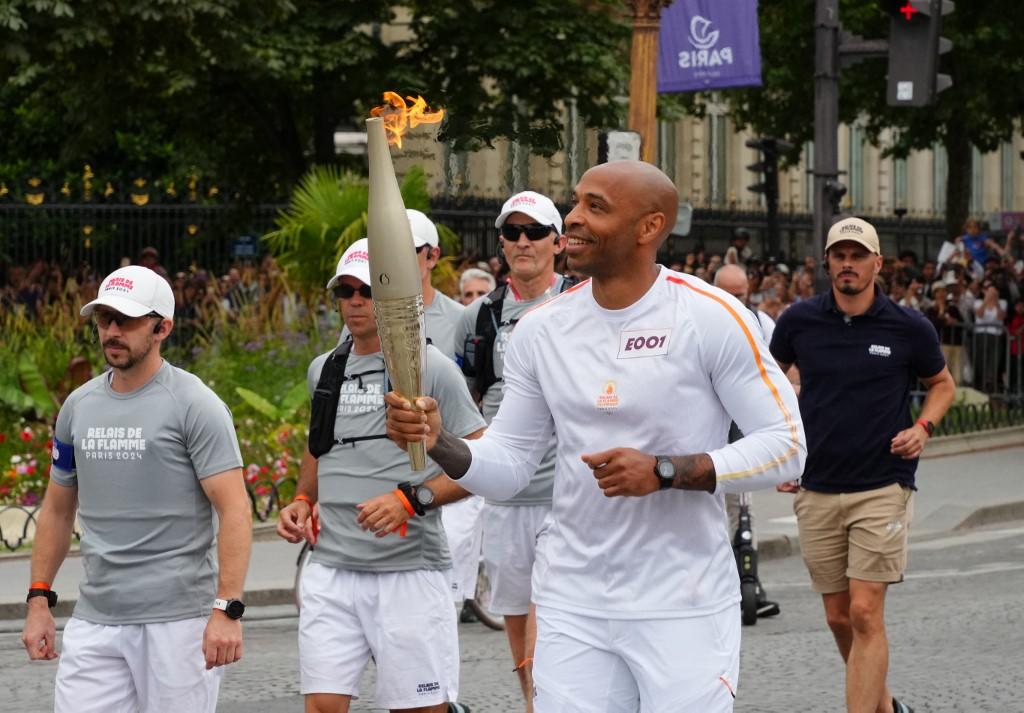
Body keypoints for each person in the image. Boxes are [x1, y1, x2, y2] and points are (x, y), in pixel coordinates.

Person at [386, 160, 806, 713]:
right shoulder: (543, 330)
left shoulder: (710, 316)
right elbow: (510, 462)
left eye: (595, 207)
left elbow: (787, 445)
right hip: (571, 599)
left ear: (649, 227)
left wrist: (665, 471)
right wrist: (440, 440)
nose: (572, 219)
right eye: (576, 202)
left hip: (683, 602)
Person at [21, 265, 251, 713]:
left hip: (178, 623)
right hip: (96, 620)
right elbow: (56, 510)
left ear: (162, 327)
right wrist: (38, 599)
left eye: (125, 320)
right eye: (104, 319)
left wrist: (227, 609)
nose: (111, 331)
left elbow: (235, 510)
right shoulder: (78, 406)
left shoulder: (195, 404)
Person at [276, 239, 485, 713]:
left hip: (408, 571)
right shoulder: (324, 369)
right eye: (345, 291)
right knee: (323, 706)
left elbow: (482, 466)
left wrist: (412, 500)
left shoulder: (431, 368)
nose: (354, 301)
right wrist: (302, 501)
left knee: (417, 710)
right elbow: (319, 447)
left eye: (366, 290)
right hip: (331, 568)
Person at [770, 217, 956, 713]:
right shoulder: (799, 321)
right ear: (827, 262)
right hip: (817, 485)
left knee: (865, 610)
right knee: (837, 618)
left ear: (878, 263)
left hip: (883, 484)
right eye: (839, 255)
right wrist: (781, 453)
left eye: (857, 255)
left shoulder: (908, 326)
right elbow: (766, 385)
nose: (847, 264)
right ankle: (885, 705)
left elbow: (942, 385)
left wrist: (922, 429)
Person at [454, 190, 572, 709]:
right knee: (517, 610)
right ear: (501, 243)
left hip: (570, 492)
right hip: (506, 493)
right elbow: (465, 399)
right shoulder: (480, 317)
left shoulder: (584, 303)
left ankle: (552, 700)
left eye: (535, 232)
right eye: (513, 233)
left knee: (555, 606)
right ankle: (531, 700)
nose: (523, 242)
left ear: (558, 242)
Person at [712, 264, 783, 621]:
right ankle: (716, 585)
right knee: (710, 515)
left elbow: (774, 377)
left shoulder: (761, 324)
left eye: (739, 295)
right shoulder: (701, 318)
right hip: (707, 436)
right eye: (727, 294)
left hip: (744, 436)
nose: (734, 301)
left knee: (743, 511)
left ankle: (749, 579)